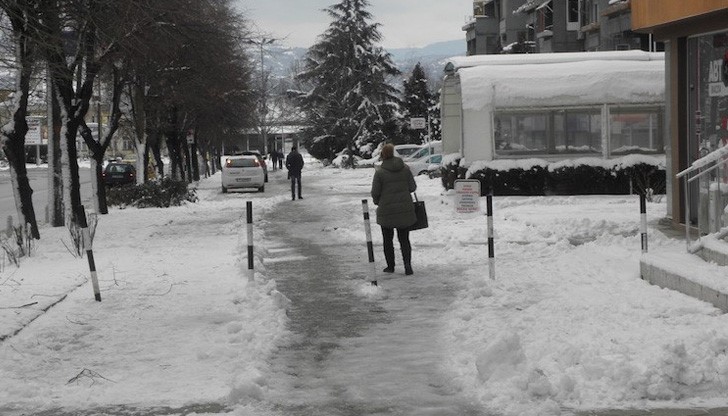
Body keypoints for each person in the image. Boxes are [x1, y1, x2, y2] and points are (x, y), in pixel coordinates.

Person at [371, 143, 417, 275]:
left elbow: (375, 192)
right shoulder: (405, 169)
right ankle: (407, 266)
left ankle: (390, 266)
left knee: (387, 240)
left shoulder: (379, 173)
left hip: (386, 211)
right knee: (404, 239)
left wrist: (378, 202)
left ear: (382, 155)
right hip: (404, 209)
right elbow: (412, 187)